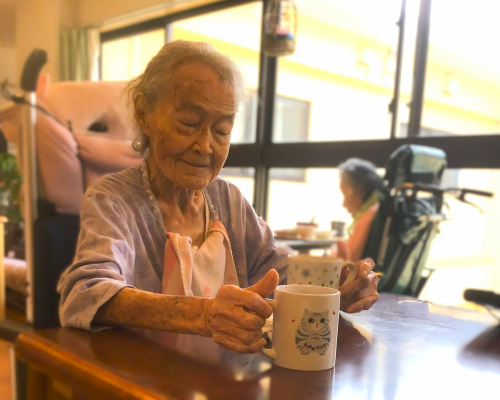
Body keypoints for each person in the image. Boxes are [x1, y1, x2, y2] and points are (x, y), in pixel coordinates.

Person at [58, 41, 379, 354]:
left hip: (224, 375)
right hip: (144, 373)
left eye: (222, 131)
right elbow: (85, 292)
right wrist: (204, 315)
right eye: (188, 124)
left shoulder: (228, 199)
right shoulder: (113, 199)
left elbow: (276, 270)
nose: (205, 146)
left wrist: (338, 285)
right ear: (144, 114)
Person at [332, 158, 385, 263]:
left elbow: (347, 259)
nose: (343, 204)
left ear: (361, 191)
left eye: (345, 193)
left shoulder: (371, 213)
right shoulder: (381, 206)